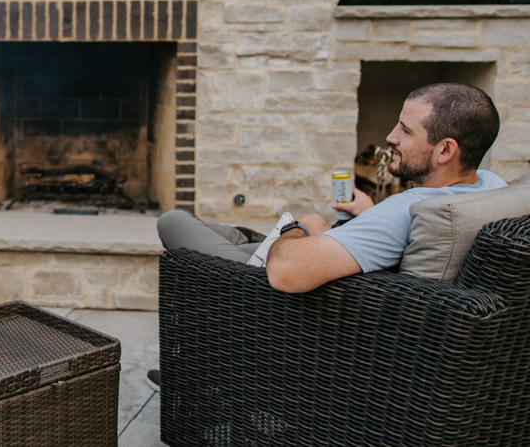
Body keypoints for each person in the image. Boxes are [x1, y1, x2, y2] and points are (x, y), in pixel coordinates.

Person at [146, 83, 505, 392]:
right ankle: (247, 238)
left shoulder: (407, 210)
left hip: (278, 294)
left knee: (174, 221)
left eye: (406, 131)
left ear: (445, 150)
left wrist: (302, 229)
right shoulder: (490, 188)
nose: (390, 137)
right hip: (341, 265)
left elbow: (286, 272)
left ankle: (198, 374)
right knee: (231, 236)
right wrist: (368, 215)